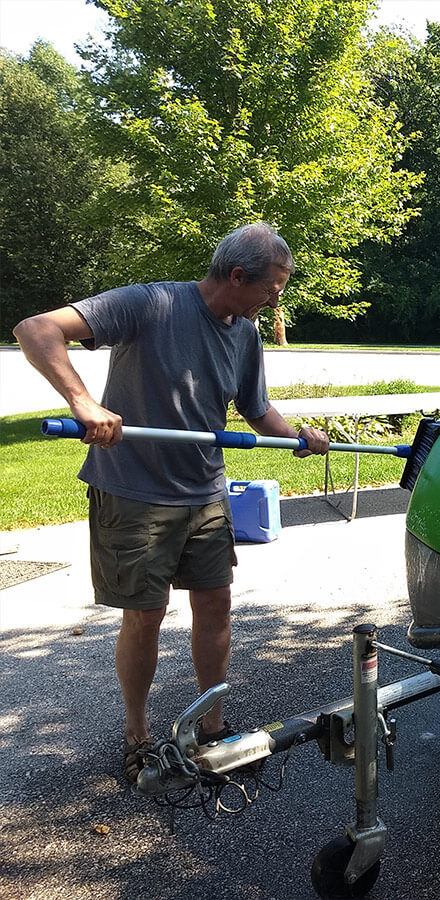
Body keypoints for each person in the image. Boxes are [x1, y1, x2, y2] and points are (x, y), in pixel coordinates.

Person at [12, 222, 331, 784]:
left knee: (215, 608)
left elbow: (256, 410)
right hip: (135, 492)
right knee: (146, 616)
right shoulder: (151, 303)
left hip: (204, 491)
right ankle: (138, 735)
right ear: (237, 275)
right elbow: (35, 329)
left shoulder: (245, 335)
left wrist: (296, 436)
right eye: (272, 288)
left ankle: (213, 730)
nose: (275, 298)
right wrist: (83, 401)